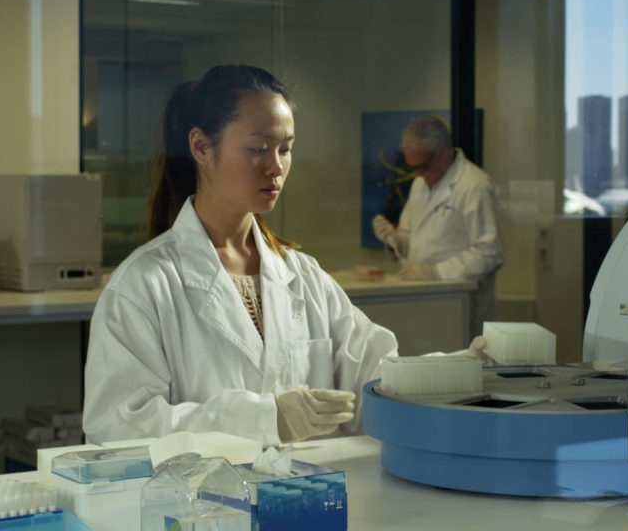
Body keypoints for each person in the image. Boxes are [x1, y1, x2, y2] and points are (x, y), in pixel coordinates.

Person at [84, 65, 398, 447]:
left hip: (305, 498)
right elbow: (116, 428)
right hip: (200, 504)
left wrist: (463, 369)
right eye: (258, 148)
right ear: (200, 147)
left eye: (286, 149)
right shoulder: (144, 284)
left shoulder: (303, 275)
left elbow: (377, 376)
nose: (276, 167)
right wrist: (263, 419)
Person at [372, 114, 504, 339]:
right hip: (425, 304)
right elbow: (410, 235)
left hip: (460, 306)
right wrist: (394, 239)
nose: (418, 174)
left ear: (443, 151)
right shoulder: (419, 184)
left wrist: (437, 272)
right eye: (412, 167)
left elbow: (490, 253)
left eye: (422, 166)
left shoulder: (474, 186)